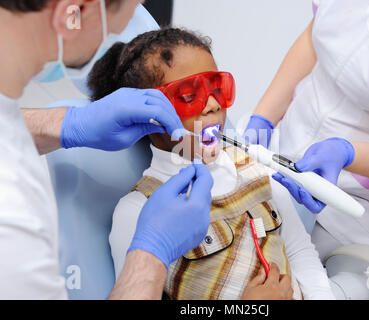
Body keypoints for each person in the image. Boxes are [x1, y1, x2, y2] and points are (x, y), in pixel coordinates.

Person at [88, 28, 334, 300]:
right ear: (146, 116)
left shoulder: (256, 169)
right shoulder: (139, 211)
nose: (213, 105)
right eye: (189, 96)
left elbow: (300, 253)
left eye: (217, 87)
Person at [0, 0, 215, 300]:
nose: (121, 38)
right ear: (73, 14)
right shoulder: (12, 217)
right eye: (118, 24)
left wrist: (65, 124)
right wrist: (149, 257)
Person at [244, 0, 369, 260]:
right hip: (278, 148)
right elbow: (315, 35)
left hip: (351, 206)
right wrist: (262, 119)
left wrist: (347, 153)